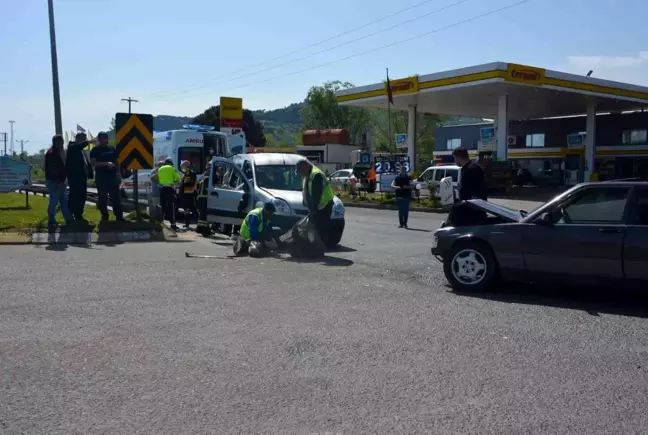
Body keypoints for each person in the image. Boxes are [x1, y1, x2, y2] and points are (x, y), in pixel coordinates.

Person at [296, 159, 335, 245]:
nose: (300, 173)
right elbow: (307, 191)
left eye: (300, 170)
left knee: (320, 228)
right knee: (316, 228)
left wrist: (313, 209)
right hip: (319, 206)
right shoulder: (308, 175)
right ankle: (317, 247)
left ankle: (320, 248)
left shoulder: (316, 175)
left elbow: (316, 195)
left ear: (305, 167)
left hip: (324, 206)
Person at [90, 132, 124, 222]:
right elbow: (93, 163)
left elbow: (117, 162)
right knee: (102, 198)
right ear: (99, 139)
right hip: (101, 178)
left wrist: (118, 173)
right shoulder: (95, 150)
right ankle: (105, 216)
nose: (105, 140)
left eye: (106, 138)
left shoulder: (112, 148)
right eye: (103, 138)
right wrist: (106, 163)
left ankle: (119, 217)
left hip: (112, 177)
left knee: (116, 197)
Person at [449, 147, 488, 226]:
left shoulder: (471, 169)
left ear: (459, 157)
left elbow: (476, 192)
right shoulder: (468, 168)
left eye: (455, 158)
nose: (455, 161)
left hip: (473, 212)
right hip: (470, 208)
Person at [44, 134, 73, 227]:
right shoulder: (52, 153)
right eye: (61, 141)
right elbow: (53, 169)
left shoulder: (58, 151)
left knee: (64, 200)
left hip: (60, 181)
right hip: (55, 181)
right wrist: (59, 181)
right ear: (56, 142)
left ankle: (68, 219)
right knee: (54, 201)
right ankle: (51, 219)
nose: (63, 142)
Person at [66, 132, 95, 220]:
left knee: (82, 195)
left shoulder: (81, 150)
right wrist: (89, 142)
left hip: (82, 177)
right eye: (83, 139)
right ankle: (71, 213)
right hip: (74, 176)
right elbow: (78, 147)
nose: (84, 141)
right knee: (74, 195)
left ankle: (79, 213)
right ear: (78, 139)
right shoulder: (72, 147)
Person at [157, 158, 180, 230]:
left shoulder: (160, 169)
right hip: (170, 189)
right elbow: (178, 178)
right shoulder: (172, 168)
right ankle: (173, 224)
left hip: (162, 189)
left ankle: (160, 222)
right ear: (170, 163)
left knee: (162, 206)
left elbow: (158, 178)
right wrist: (174, 181)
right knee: (171, 206)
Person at [179, 160, 198, 228]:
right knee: (186, 209)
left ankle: (198, 221)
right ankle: (187, 223)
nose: (182, 168)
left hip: (190, 194)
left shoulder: (192, 173)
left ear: (187, 166)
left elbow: (192, 183)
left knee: (193, 208)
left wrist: (183, 183)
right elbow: (182, 183)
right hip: (185, 194)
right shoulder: (184, 174)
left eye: (183, 166)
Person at [195, 162, 212, 236]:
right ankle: (204, 230)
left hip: (200, 197)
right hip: (204, 197)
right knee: (204, 215)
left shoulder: (203, 175)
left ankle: (202, 228)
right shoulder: (209, 176)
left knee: (202, 214)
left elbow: (197, 185)